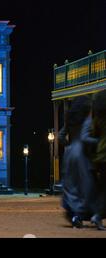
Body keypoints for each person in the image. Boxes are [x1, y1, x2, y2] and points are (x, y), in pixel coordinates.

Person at [59, 96, 97, 229]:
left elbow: (60, 136)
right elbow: (86, 138)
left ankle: (73, 213)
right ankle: (82, 214)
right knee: (86, 185)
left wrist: (69, 145)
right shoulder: (87, 119)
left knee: (71, 185)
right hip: (82, 153)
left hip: (69, 154)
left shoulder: (70, 120)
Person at [91, 90, 106, 230]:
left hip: (100, 155)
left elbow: (94, 133)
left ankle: (97, 215)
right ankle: (98, 215)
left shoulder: (98, 118)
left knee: (102, 189)